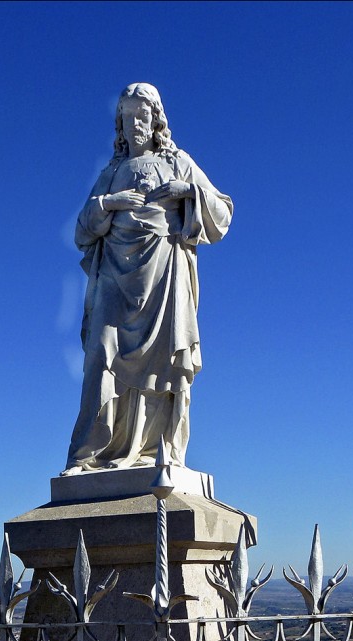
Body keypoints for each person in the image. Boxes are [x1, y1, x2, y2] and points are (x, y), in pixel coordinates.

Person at [62, 83, 233, 475]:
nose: (136, 122)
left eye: (143, 115)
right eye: (129, 115)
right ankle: (90, 454)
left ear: (155, 119)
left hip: (164, 278)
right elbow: (81, 232)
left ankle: (160, 451)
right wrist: (110, 203)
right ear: (119, 122)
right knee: (101, 355)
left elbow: (222, 215)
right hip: (114, 282)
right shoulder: (112, 172)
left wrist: (188, 191)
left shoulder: (178, 162)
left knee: (166, 367)